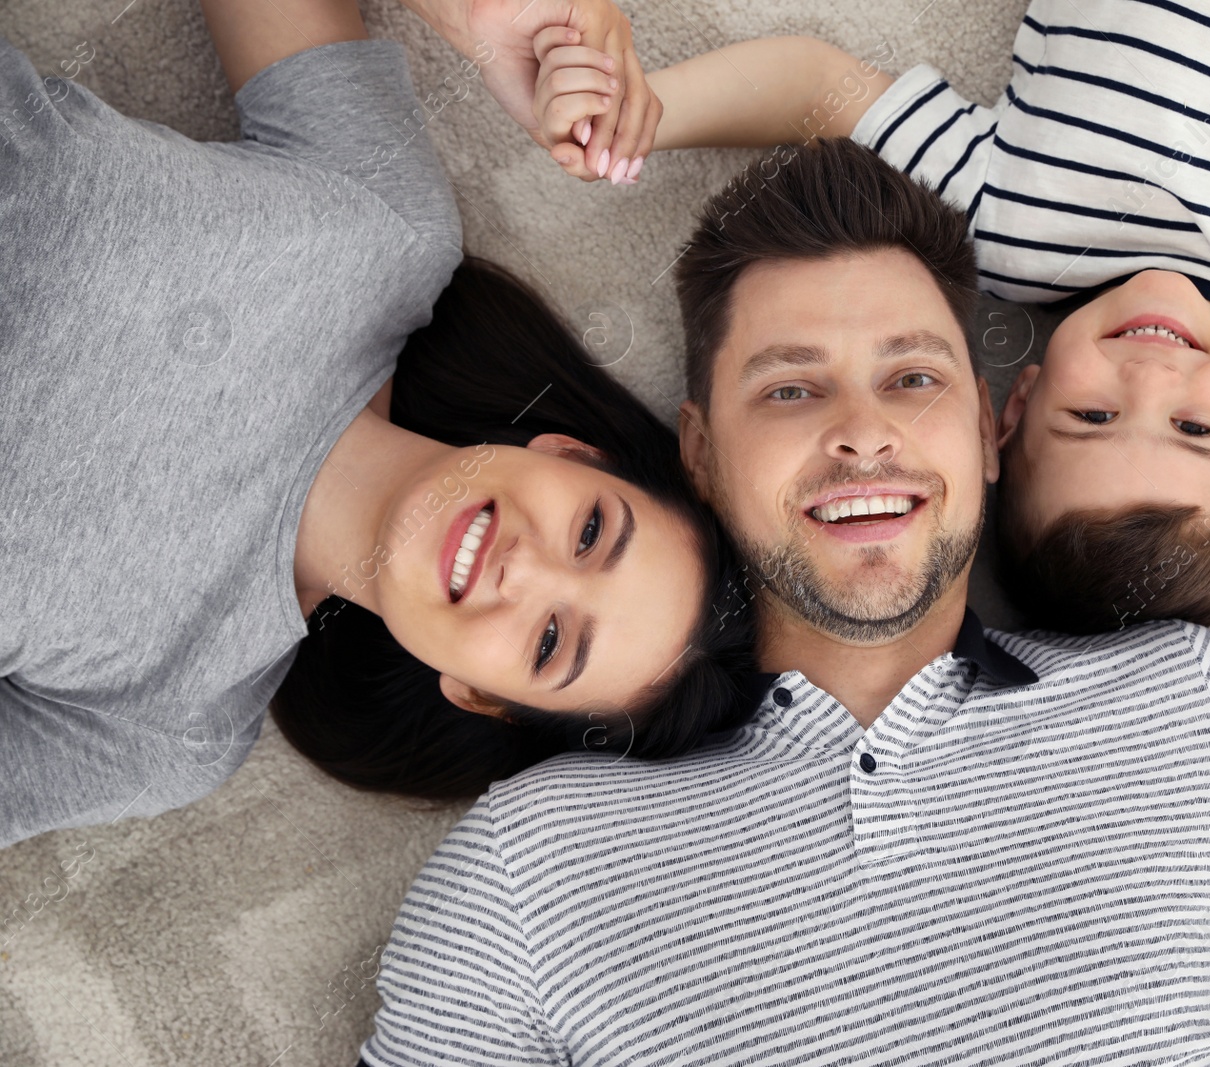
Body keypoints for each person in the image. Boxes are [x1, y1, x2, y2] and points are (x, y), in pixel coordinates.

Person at [358, 137, 1210, 1066]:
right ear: (696, 451)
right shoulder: (528, 864)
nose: (861, 435)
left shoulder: (1191, 707)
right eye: (790, 392)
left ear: (992, 430)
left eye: (912, 375)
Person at [533, 0, 1210, 636]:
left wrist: (656, 110)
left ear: (1018, 404)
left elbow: (820, 93)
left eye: (1092, 419)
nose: (1149, 381)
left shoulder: (1001, 229)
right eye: (1195, 430)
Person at [0, 0, 751, 849]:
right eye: (588, 530)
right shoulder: (389, 230)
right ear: (569, 451)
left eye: (548, 641)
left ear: (477, 694)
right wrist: (483, 16)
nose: (526, 569)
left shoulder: (168, 730)